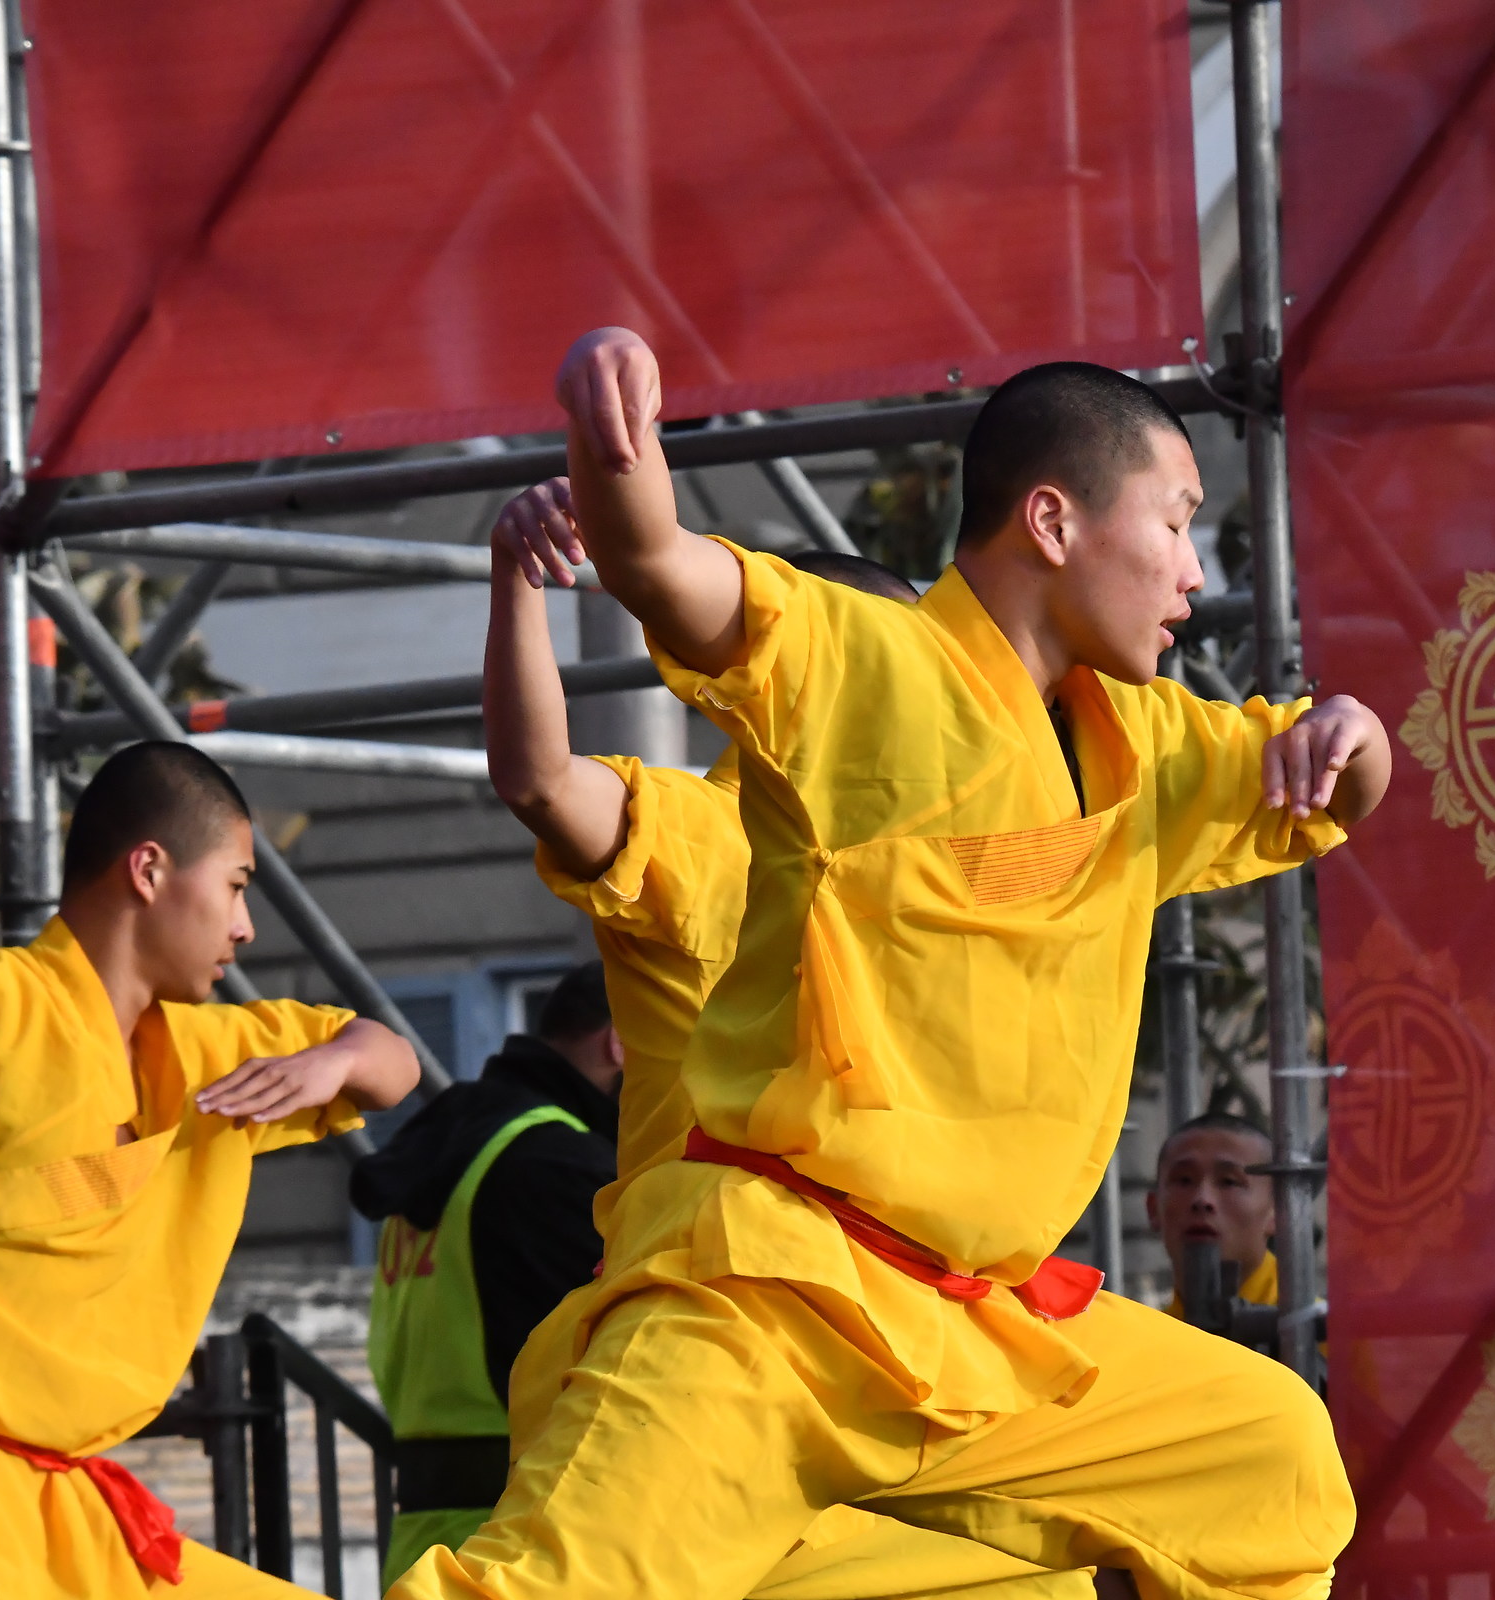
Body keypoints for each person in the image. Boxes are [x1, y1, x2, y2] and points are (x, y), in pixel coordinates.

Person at [394, 331, 1389, 1600]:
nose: (1198, 570)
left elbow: (1333, 785)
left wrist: (1353, 736)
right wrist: (613, 426)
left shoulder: (1149, 742)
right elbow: (650, 564)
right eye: (1180, 522)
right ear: (1053, 521)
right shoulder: (874, 663)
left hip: (985, 1331)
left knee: (1271, 1457)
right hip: (775, 1304)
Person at [480, 484, 1084, 1600]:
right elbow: (536, 781)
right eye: (891, 671)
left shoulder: (943, 865)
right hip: (727, 1343)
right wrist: (518, 584)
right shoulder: (697, 830)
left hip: (905, 1344)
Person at [0, 741, 419, 1599]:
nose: (246, 926)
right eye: (237, 886)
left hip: (65, 1521)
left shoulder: (217, 1055)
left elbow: (390, 1056)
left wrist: (337, 1062)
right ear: (149, 870)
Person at [351, 961, 624, 1587]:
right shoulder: (556, 1165)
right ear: (619, 1042)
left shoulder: (459, 1141)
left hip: (431, 1549)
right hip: (535, 1548)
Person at [1148, 1114, 1279, 1319]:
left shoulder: (1324, 1339)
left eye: (1229, 1182)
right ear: (1153, 1209)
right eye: (1184, 1180)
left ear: (1278, 1212)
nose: (1202, 1200)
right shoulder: (1145, 1340)